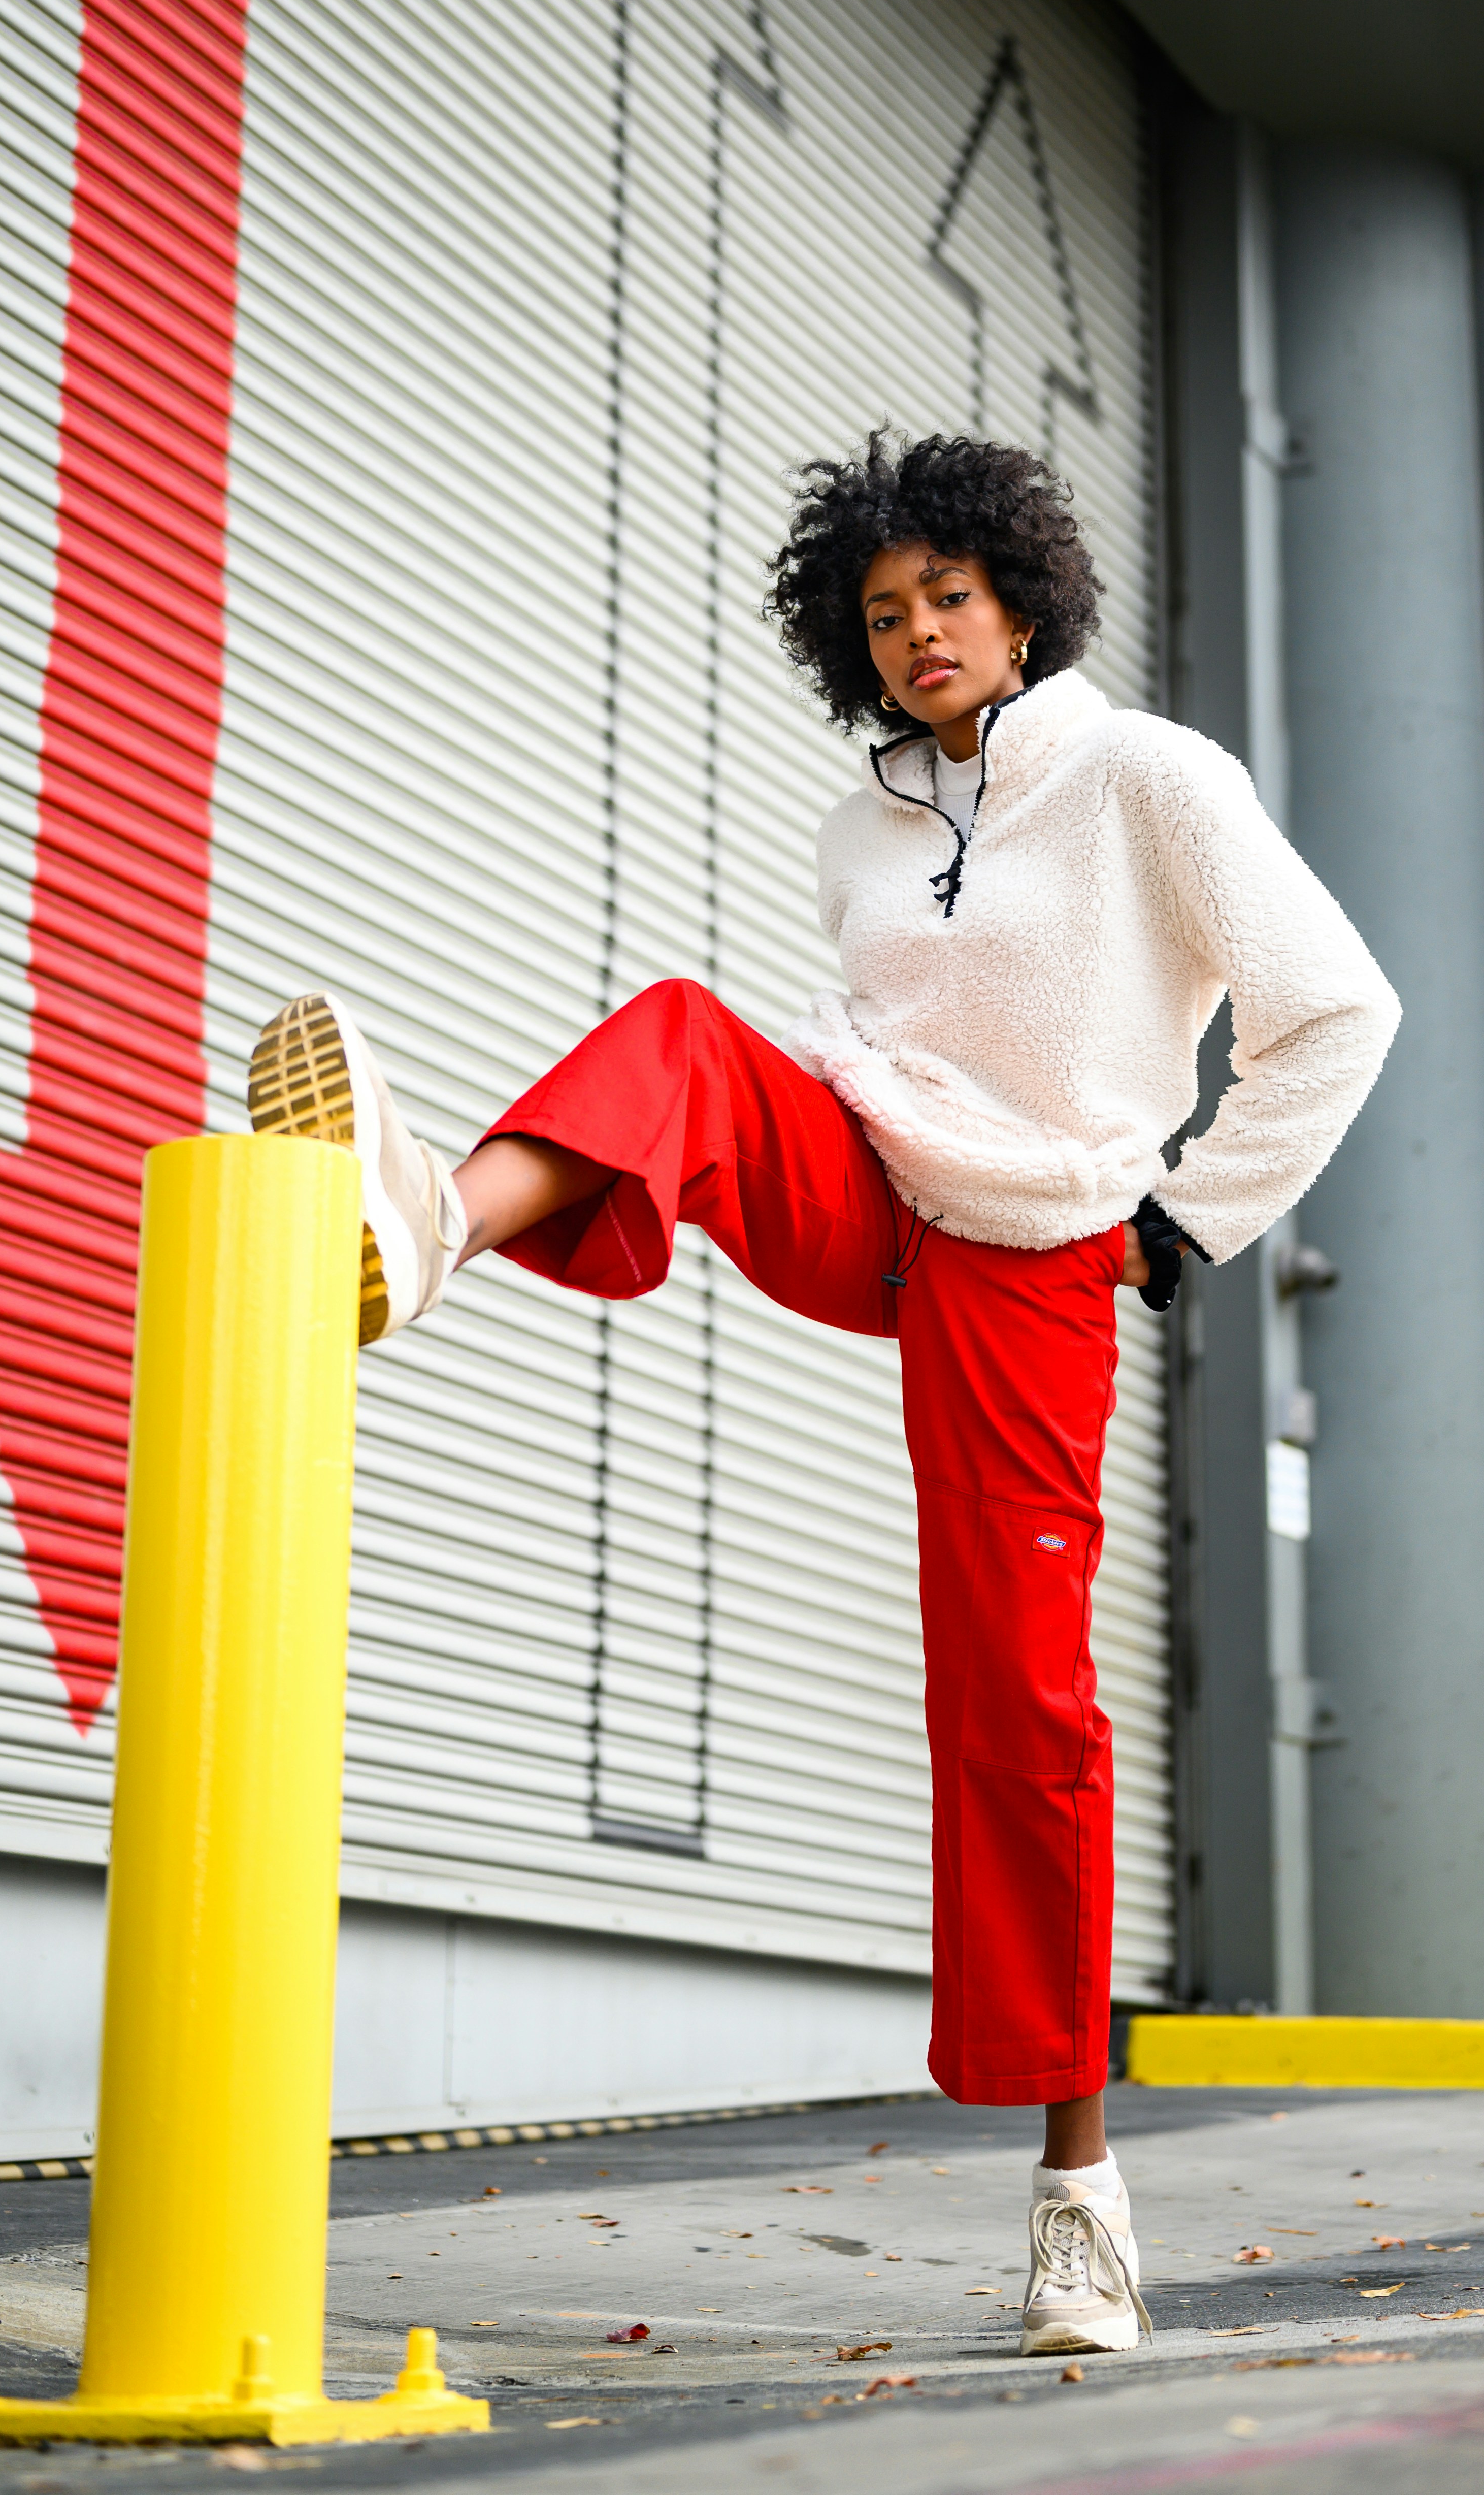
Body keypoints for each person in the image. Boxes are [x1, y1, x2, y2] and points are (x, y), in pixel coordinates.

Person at [247, 428, 1399, 2357]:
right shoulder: (857, 825)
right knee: (691, 1040)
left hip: (1037, 1257)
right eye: (882, 615)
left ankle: (1078, 2191)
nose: (919, 633)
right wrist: (805, 1116)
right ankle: (436, 1225)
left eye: (947, 595)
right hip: (877, 1184)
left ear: (1022, 602)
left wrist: (1184, 1225)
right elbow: (875, 1034)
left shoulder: (1148, 781)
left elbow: (1334, 1008)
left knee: (1014, 1687)